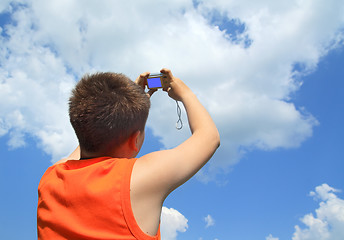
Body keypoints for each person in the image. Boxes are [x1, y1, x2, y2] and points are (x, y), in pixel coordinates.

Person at [37, 68, 220, 240]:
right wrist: (186, 94)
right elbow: (209, 138)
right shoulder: (137, 178)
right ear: (135, 140)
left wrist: (124, 100)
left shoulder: (51, 177)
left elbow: (86, 136)